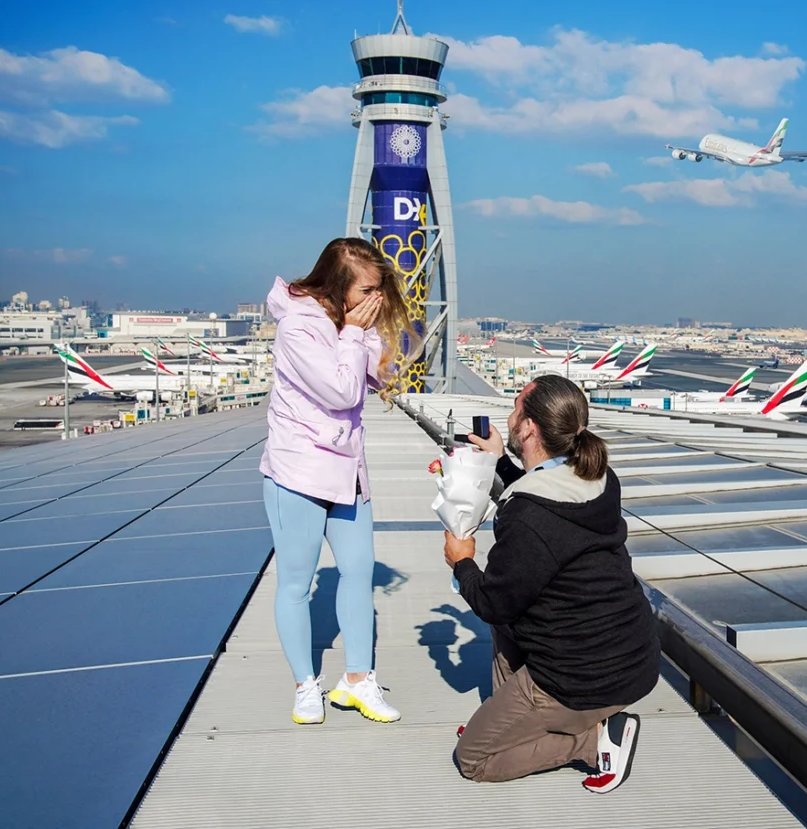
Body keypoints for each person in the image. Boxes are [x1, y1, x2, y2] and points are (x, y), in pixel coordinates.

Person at [444, 375, 660, 793]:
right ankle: (517, 726)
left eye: (515, 406)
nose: (508, 414)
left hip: (582, 680)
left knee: (475, 758)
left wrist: (462, 562)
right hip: (631, 657)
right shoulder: (598, 477)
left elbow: (493, 603)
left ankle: (595, 742)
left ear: (528, 429)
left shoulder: (529, 516)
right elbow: (543, 497)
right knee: (512, 617)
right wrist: (498, 460)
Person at [260, 237, 413, 725]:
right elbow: (339, 390)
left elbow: (378, 376)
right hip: (298, 472)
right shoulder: (299, 328)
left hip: (347, 470)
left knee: (358, 570)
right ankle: (306, 685)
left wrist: (363, 333)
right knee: (296, 585)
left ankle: (356, 680)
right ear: (339, 286)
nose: (375, 299)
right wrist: (352, 333)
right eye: (367, 288)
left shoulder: (350, 323)